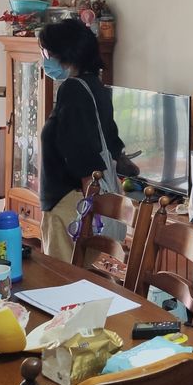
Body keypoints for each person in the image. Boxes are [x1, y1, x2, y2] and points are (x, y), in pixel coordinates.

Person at [37, 18, 124, 261]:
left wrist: (89, 206)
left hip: (69, 203)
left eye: (47, 53)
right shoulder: (95, 86)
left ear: (65, 54)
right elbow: (111, 141)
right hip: (84, 200)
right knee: (85, 272)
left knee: (61, 277)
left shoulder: (72, 90)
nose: (45, 59)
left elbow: (81, 152)